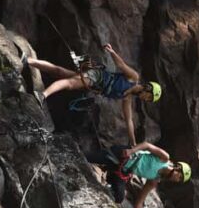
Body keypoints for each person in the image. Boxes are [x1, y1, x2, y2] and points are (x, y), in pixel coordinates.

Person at [27, 44, 161, 146]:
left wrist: (133, 142)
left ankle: (29, 61)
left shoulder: (127, 98)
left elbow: (129, 121)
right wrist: (112, 52)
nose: (146, 99)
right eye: (149, 97)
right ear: (147, 88)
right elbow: (121, 65)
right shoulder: (134, 78)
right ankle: (42, 95)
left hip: (95, 84)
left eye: (149, 100)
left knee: (59, 72)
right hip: (97, 76)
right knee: (70, 84)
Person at [86, 141, 190, 208]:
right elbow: (147, 145)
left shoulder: (154, 180)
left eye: (179, 180)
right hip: (123, 155)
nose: (177, 179)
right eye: (179, 177)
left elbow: (140, 201)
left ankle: (106, 177)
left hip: (122, 171)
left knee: (119, 197)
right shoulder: (164, 158)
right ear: (177, 168)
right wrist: (131, 151)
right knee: (90, 157)